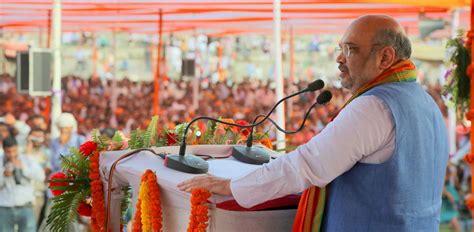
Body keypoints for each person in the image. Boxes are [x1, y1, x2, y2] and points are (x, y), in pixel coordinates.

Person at [178, 15, 449, 231]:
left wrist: (230, 186)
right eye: (340, 48)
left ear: (385, 57)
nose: (340, 58)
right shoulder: (427, 103)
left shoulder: (374, 107)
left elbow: (307, 165)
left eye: (350, 50)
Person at [0, 137, 45, 232]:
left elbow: (41, 176)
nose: (12, 154)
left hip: (25, 206)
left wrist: (23, 168)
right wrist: (3, 175)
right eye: (8, 151)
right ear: (3, 149)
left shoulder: (26, 159)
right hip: (5, 207)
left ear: (18, 148)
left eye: (14, 151)